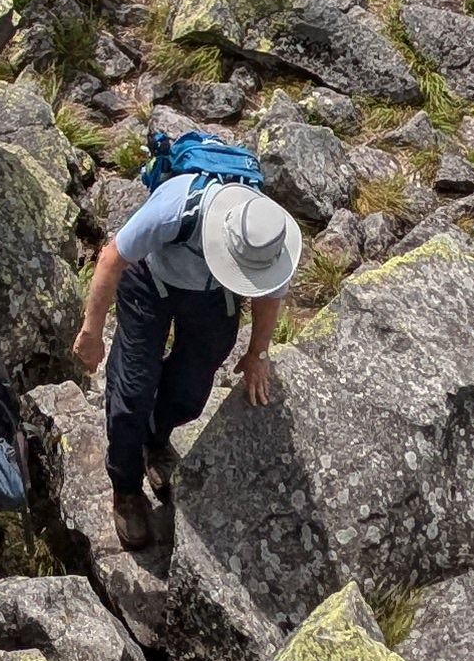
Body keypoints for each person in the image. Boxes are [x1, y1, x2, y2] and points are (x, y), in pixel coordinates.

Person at [66, 150, 300, 552]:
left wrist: (257, 353)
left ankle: (154, 441)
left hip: (212, 295)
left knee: (192, 391)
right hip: (149, 284)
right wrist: (91, 332)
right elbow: (111, 258)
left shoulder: (269, 241)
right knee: (132, 389)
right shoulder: (176, 207)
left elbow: (268, 296)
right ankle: (126, 489)